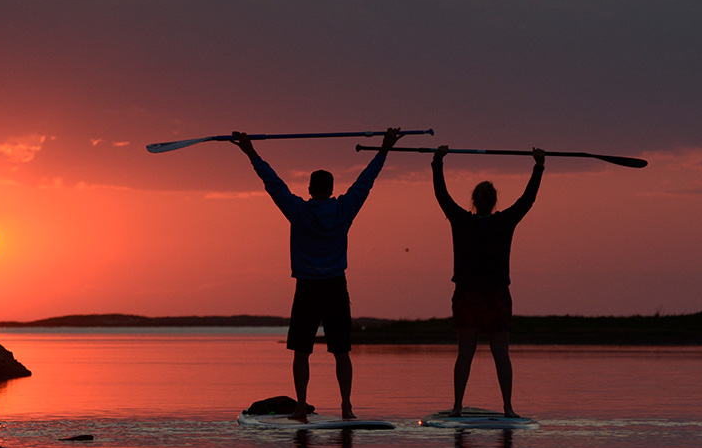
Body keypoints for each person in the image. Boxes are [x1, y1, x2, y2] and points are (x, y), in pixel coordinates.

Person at [231, 128, 403, 421]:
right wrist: (384, 149)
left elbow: (273, 184)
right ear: (331, 189)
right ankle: (346, 406)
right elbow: (366, 182)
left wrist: (250, 152)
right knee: (341, 351)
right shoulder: (343, 208)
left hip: (309, 288)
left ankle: (301, 407)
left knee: (301, 351)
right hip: (335, 286)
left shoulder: (298, 210)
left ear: (310, 189)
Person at [432, 144, 545, 418]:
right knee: (501, 354)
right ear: (494, 201)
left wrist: (437, 162)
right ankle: (508, 408)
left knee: (465, 354)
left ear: (474, 201)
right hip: (495, 296)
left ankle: (458, 407)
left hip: (469, 296)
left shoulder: (461, 220)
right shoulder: (504, 221)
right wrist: (538, 166)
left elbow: (442, 196)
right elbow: (527, 200)